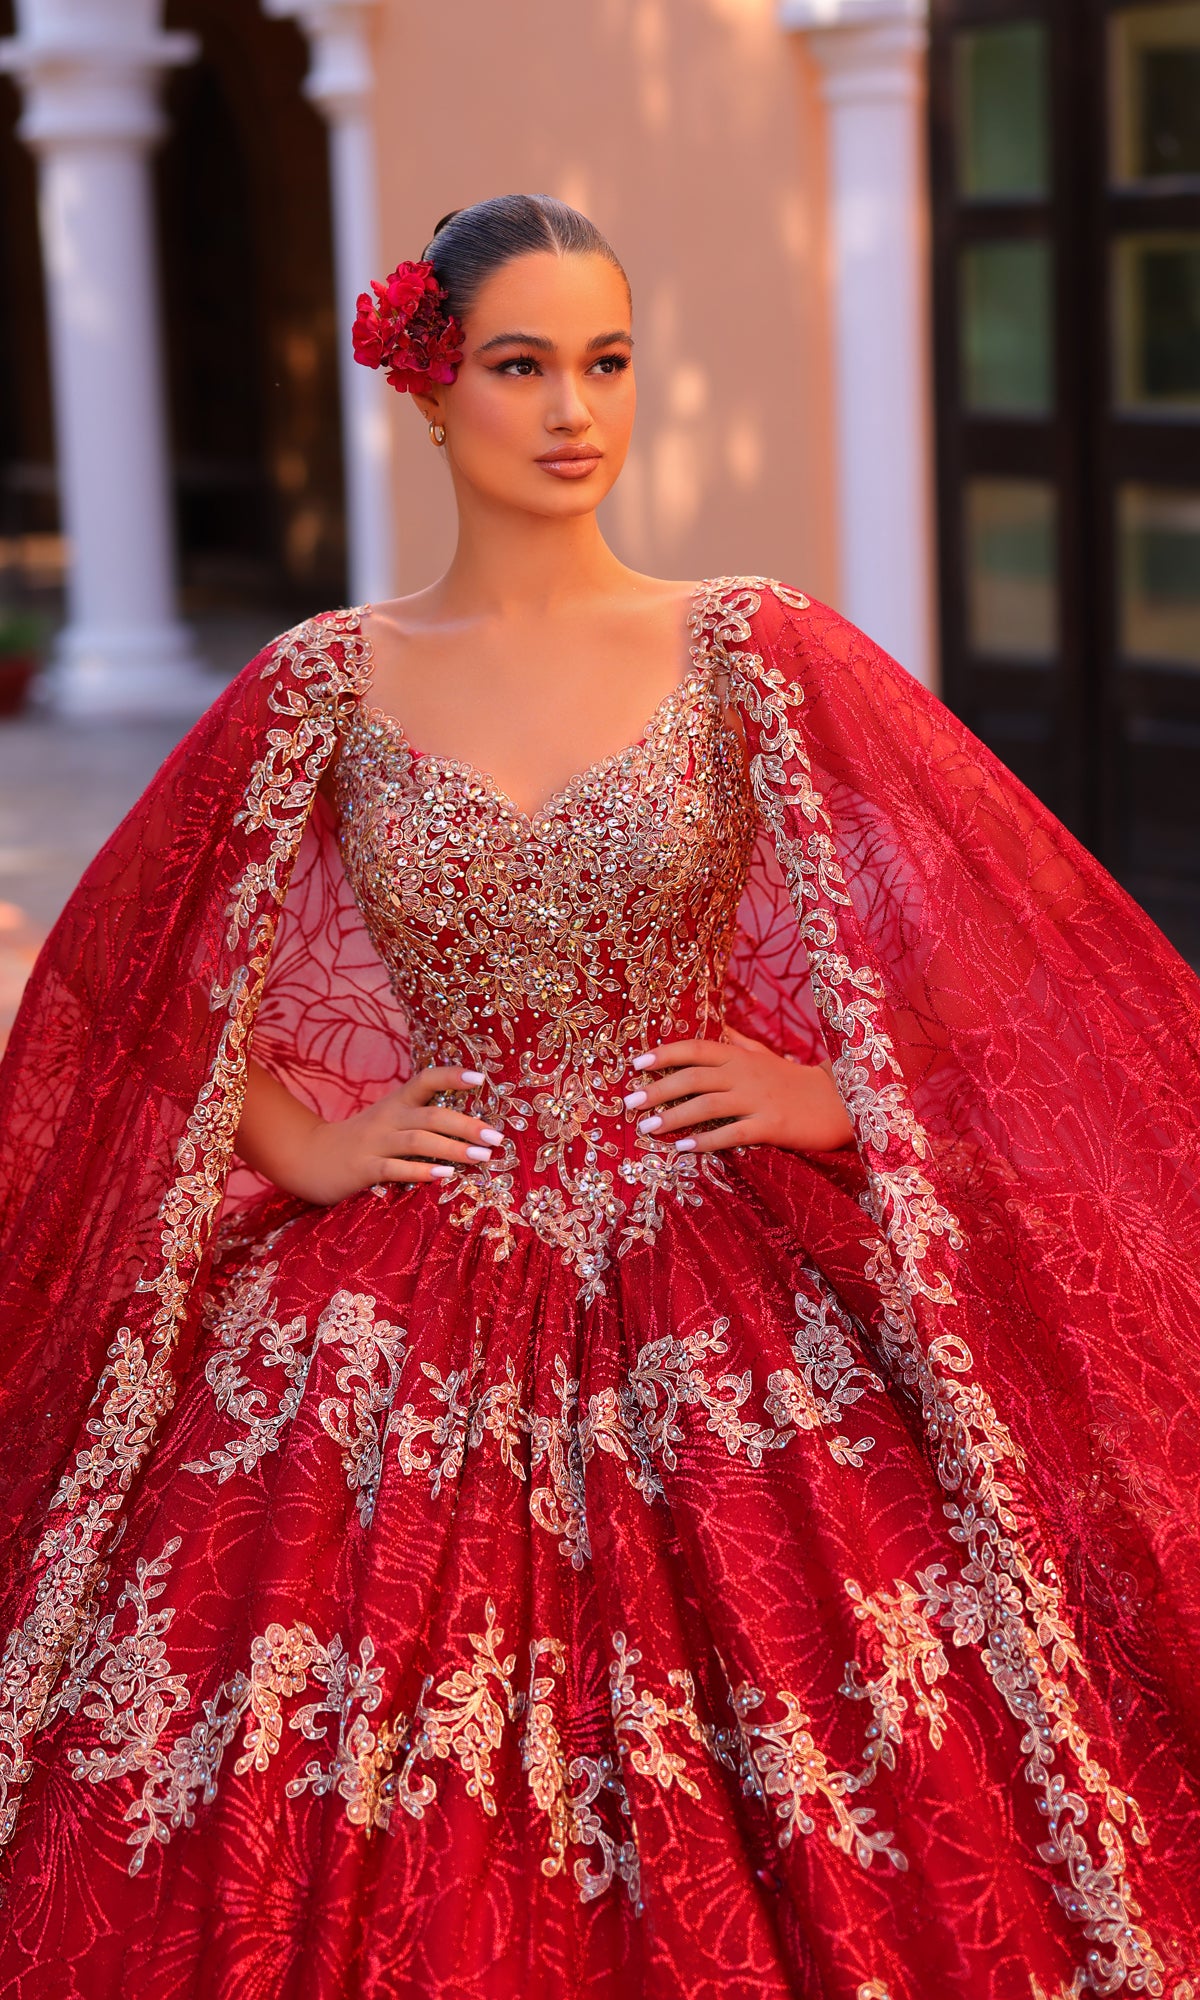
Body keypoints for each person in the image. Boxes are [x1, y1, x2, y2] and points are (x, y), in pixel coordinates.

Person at [0, 194, 1196, 2000]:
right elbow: (132, 980)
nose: (577, 409)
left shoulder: (754, 650)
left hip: (719, 1287)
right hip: (397, 1309)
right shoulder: (331, 679)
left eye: (610, 362)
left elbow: (1011, 936)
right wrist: (309, 1138)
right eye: (522, 364)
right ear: (429, 387)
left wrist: (828, 1096)